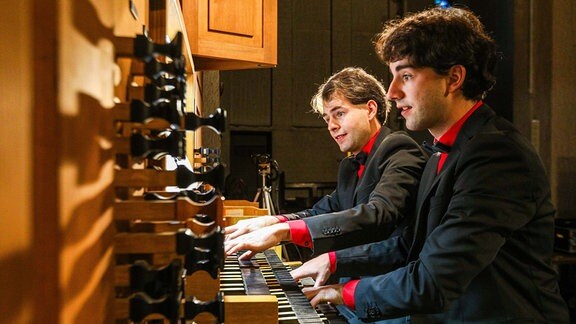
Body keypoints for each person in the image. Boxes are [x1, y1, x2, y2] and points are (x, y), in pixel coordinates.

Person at [291, 6, 570, 323]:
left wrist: (343, 293)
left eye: (406, 76)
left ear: (453, 78)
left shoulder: (496, 155)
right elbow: (410, 246)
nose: (393, 92)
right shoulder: (440, 152)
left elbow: (434, 280)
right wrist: (334, 262)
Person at [224, 67, 428, 261]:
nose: (331, 126)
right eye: (327, 118)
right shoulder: (349, 166)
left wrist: (283, 232)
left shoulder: (399, 149)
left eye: (339, 113)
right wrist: (273, 221)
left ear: (370, 109)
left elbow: (378, 214)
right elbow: (322, 211)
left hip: (384, 286)